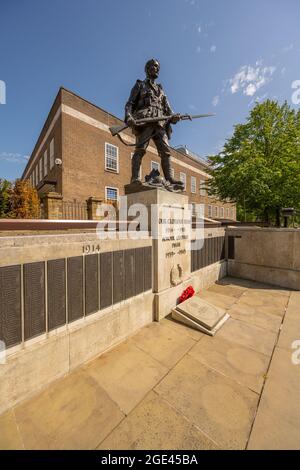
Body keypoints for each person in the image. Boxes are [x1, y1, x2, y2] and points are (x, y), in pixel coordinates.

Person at [125, 59, 183, 187]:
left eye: (158, 67)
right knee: (140, 150)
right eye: (154, 66)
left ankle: (169, 179)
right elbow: (129, 104)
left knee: (166, 152)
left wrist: (174, 117)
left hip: (160, 124)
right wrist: (129, 116)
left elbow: (169, 111)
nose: (156, 69)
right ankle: (134, 178)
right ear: (147, 69)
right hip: (145, 123)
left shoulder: (161, 91)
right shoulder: (140, 85)